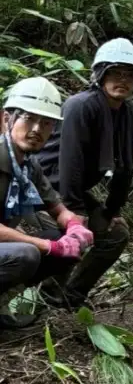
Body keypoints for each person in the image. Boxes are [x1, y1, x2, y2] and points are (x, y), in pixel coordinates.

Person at [36, 39, 133, 305]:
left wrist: (111, 210)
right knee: (72, 236)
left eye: (130, 75)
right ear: (101, 74)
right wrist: (75, 212)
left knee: (115, 236)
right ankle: (46, 298)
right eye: (116, 73)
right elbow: (70, 159)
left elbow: (126, 165)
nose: (123, 80)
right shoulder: (81, 105)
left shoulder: (130, 113)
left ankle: (70, 297)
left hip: (73, 191)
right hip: (46, 188)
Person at [0, 78, 96, 327]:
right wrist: (46, 246)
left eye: (45, 123)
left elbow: (57, 208)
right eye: (28, 119)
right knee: (26, 254)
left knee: (63, 237)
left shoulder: (28, 164)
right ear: (6, 119)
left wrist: (75, 226)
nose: (36, 129)